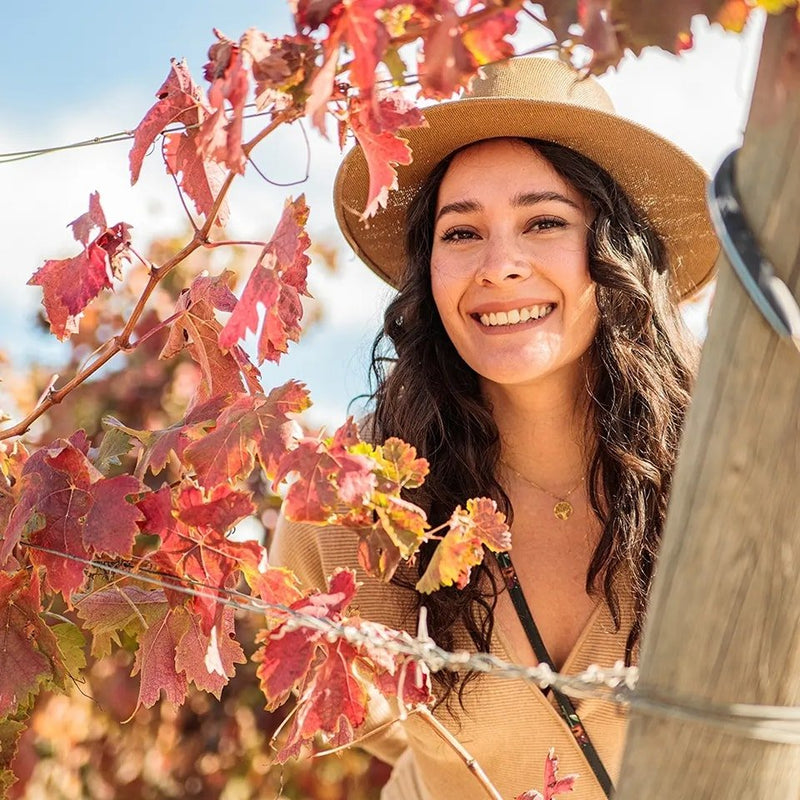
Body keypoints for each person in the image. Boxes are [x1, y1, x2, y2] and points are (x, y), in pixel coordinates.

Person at [269, 56, 719, 800]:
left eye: (544, 222)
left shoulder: (734, 461)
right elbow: (364, 715)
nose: (499, 265)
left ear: (615, 250)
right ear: (428, 271)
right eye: (461, 232)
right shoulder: (356, 502)